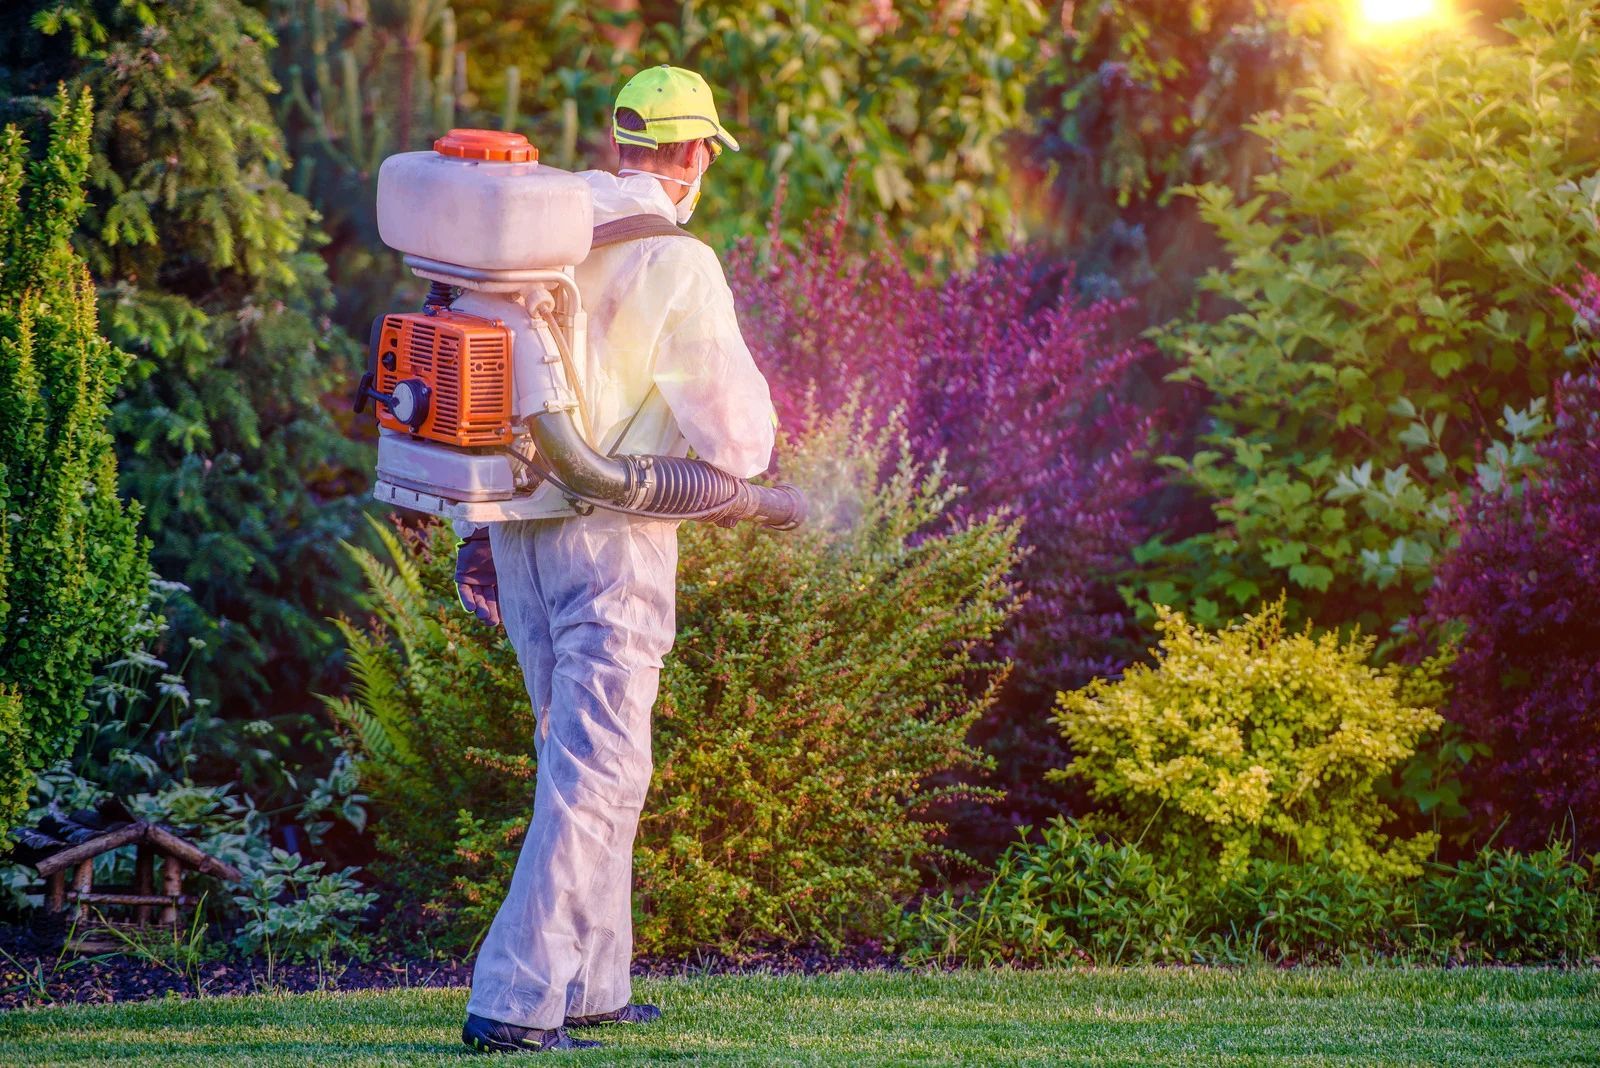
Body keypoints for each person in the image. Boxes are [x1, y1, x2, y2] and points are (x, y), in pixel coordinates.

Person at [456, 66, 777, 1055]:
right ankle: (514, 1001)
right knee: (599, 769)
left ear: (620, 143)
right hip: (612, 534)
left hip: (515, 529)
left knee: (582, 760)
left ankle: (593, 982)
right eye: (705, 157)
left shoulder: (538, 238)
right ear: (690, 157)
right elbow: (734, 439)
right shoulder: (676, 262)